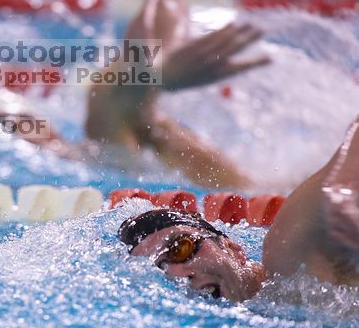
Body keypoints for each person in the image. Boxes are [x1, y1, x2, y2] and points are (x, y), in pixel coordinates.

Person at [0, 0, 269, 188]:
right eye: (2, 129)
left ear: (46, 124)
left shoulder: (102, 142)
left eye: (17, 122)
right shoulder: (94, 158)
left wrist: (158, 70)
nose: (17, 135)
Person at [118, 116, 359, 302]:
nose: (181, 275)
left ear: (232, 247)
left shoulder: (291, 252)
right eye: (162, 270)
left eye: (181, 248)